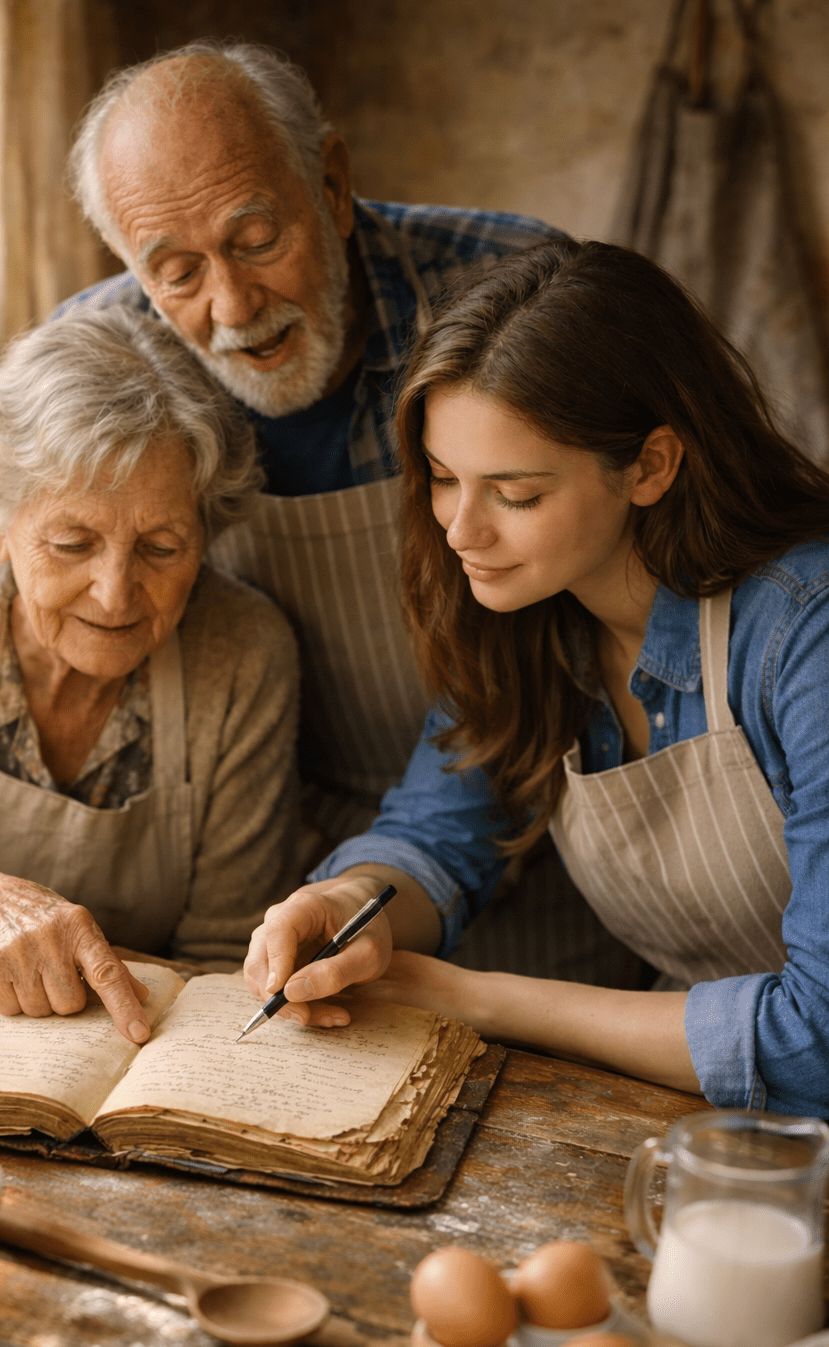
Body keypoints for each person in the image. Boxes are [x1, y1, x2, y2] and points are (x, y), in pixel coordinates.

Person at [57, 40, 631, 987]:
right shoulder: (99, 371)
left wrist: (394, 864)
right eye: (177, 272)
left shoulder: (509, 295)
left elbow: (583, 631)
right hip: (282, 891)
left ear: (330, 181)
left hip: (544, 845)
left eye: (255, 240)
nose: (234, 305)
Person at [243, 238, 829, 1118]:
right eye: (443, 479)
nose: (460, 531)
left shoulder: (803, 633)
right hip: (714, 1123)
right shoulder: (531, 617)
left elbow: (814, 1041)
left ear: (651, 466)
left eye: (514, 494)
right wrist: (345, 901)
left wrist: (479, 1001)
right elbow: (438, 835)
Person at [0, 307, 299, 1044]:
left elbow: (227, 964)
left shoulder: (243, 651)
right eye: (73, 543)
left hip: (137, 1056)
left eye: (162, 547)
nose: (115, 592)